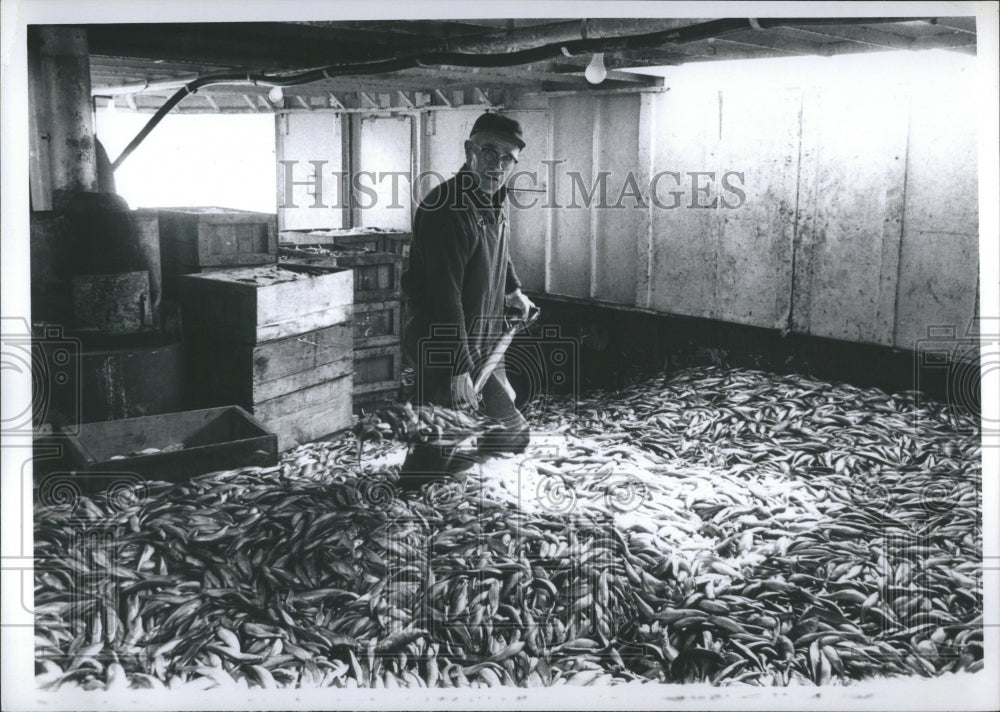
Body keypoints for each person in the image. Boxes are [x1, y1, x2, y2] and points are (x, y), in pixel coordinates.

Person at [399, 112, 536, 485]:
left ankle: (460, 465)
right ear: (469, 150)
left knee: (511, 433)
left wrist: (514, 289)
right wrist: (458, 368)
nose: (498, 164)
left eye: (508, 158)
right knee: (434, 445)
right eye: (489, 151)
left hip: (481, 341)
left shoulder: (493, 199)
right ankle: (415, 492)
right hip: (443, 346)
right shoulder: (447, 208)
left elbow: (498, 253)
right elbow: (446, 297)